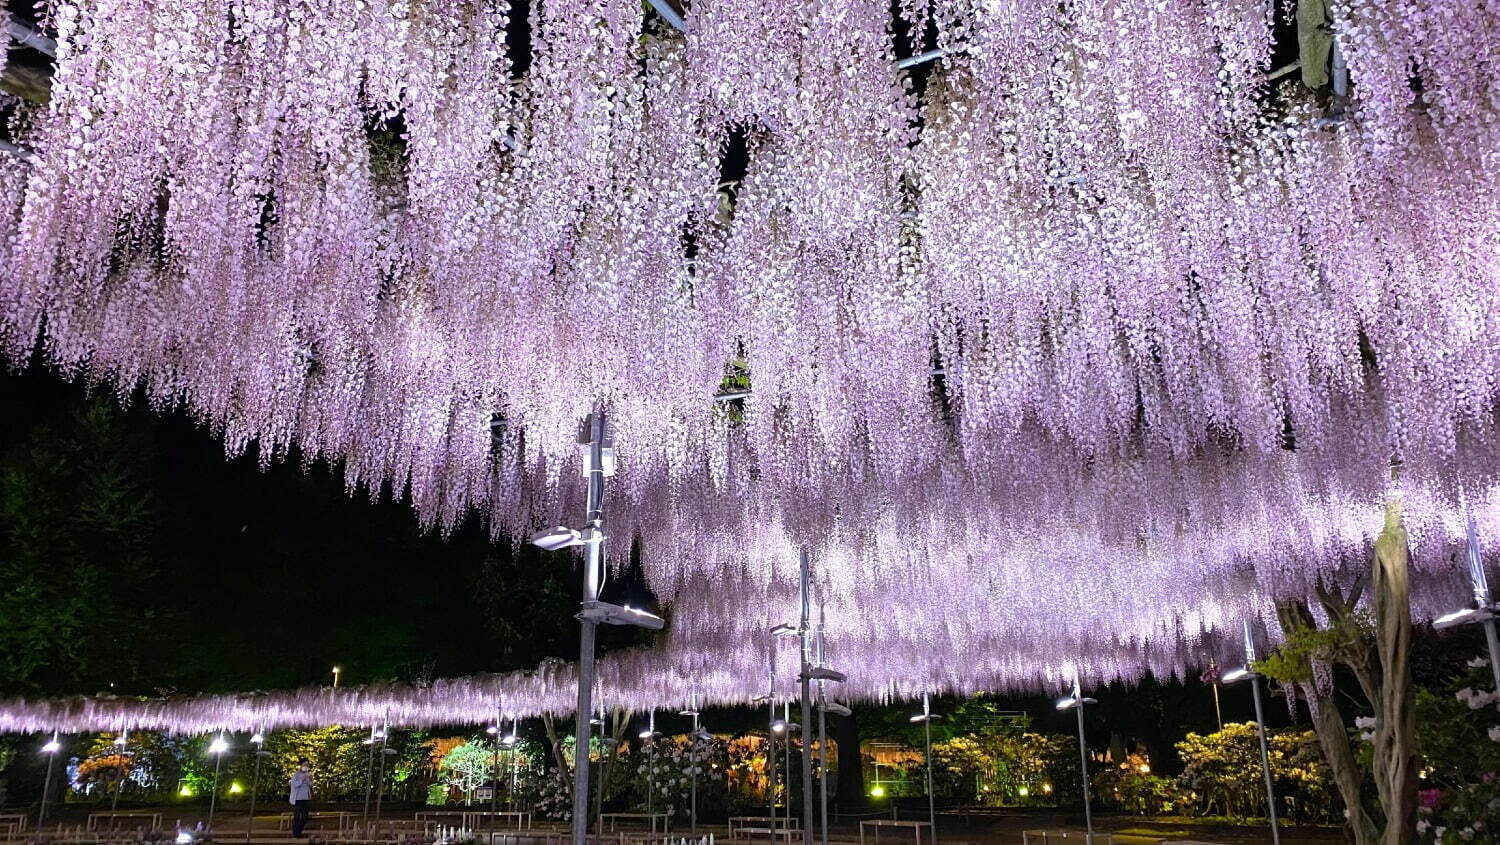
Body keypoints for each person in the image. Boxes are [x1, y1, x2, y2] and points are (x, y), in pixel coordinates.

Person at [289, 758, 313, 837]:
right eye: (304, 765)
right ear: (301, 765)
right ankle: (296, 833)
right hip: (298, 798)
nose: (306, 766)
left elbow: (310, 785)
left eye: (307, 765)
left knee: (305, 817)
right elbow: (294, 785)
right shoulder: (296, 775)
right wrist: (301, 780)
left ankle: (299, 831)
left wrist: (310, 780)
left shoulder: (308, 774)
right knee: (297, 816)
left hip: (306, 798)